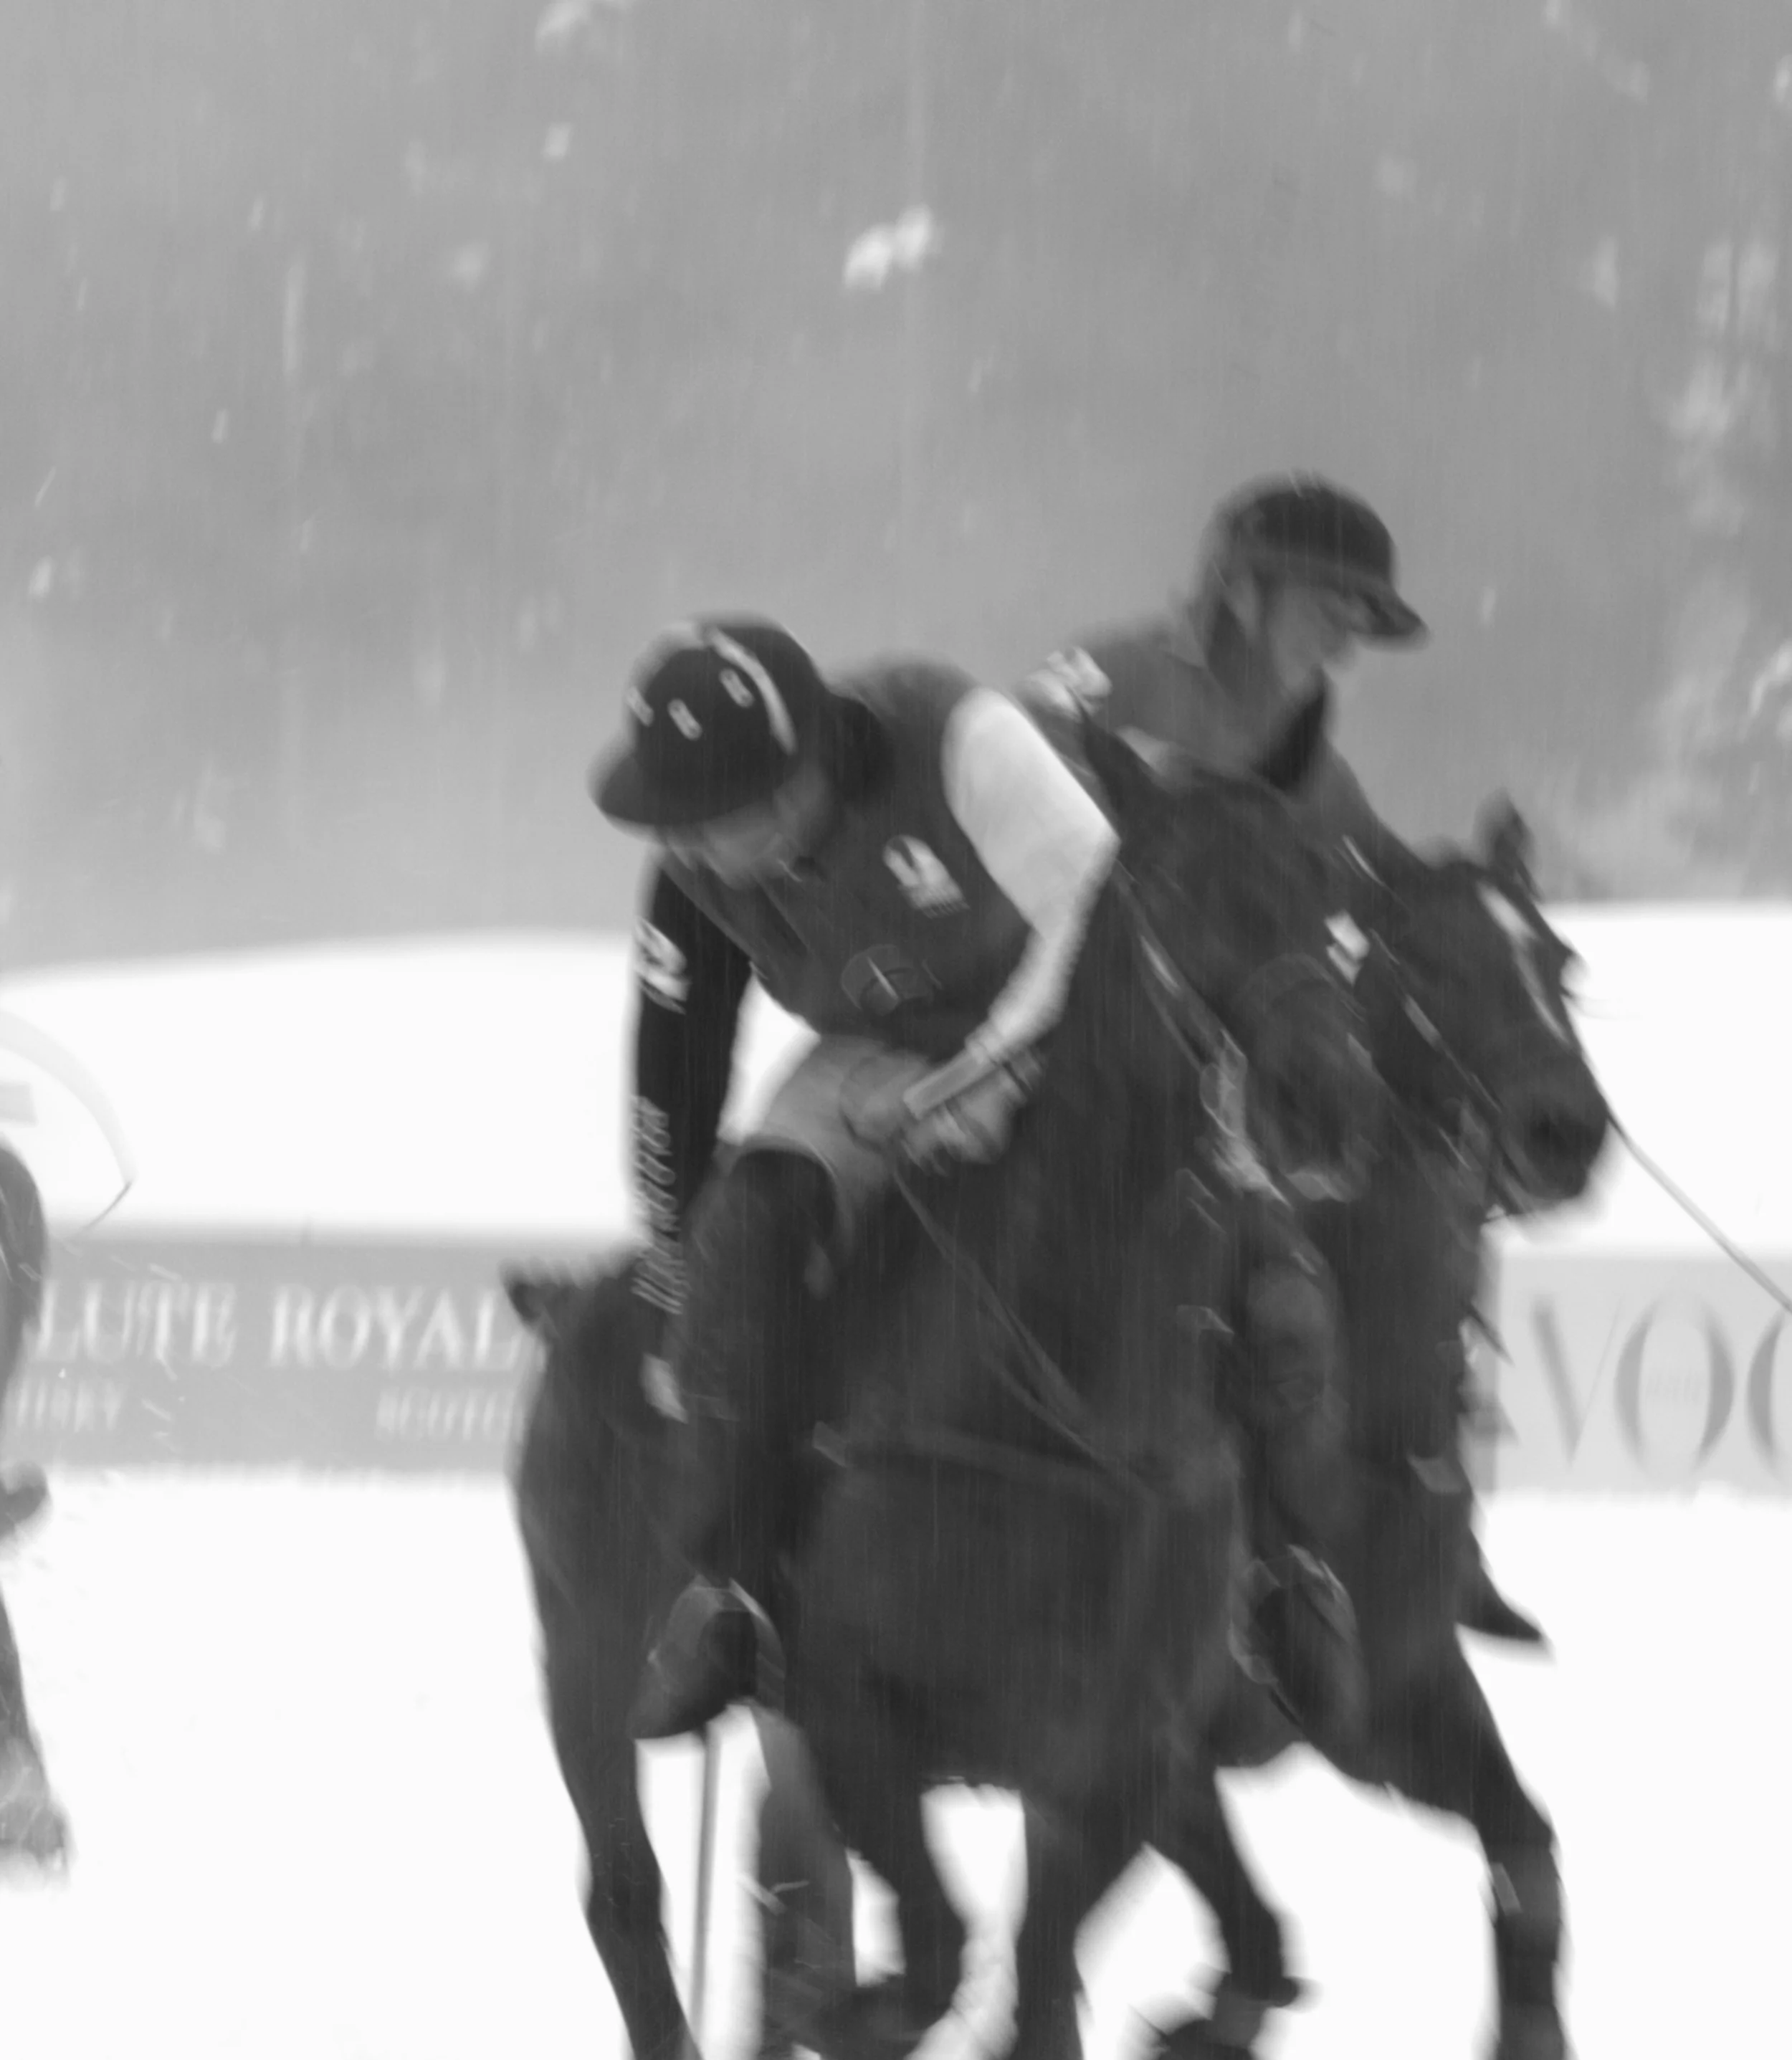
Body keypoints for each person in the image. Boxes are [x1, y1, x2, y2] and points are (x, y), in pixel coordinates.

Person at [589, 615, 1369, 1749]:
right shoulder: (696, 870)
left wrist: (989, 1075)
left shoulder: (961, 739)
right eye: (678, 822)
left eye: (719, 817)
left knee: (1276, 1292)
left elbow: (1102, 910)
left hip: (1079, 1031)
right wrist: (676, 1239)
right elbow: (675, 1059)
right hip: (876, 1051)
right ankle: (736, 1590)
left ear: (801, 774)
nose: (696, 845)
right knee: (747, 1236)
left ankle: (1289, 1577)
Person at [1024, 474, 1542, 1649]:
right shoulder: (1124, 672)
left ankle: (1345, 1552)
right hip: (1042, 1032)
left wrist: (1486, 905)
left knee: (1398, 1221)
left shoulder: (1311, 756)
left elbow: (1385, 884)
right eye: (1330, 607)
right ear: (1243, 589)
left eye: (1363, 622)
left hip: (1200, 1087)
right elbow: (1012, 748)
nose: (1345, 643)